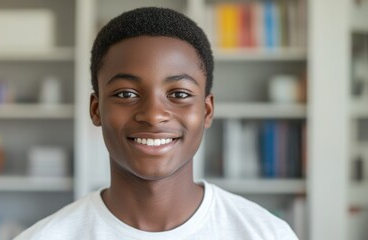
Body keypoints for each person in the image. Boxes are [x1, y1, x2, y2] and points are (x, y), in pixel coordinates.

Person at [15, 7, 298, 240]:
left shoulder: (266, 234)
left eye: (179, 94)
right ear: (96, 109)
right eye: (126, 94)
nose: (153, 114)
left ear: (207, 110)